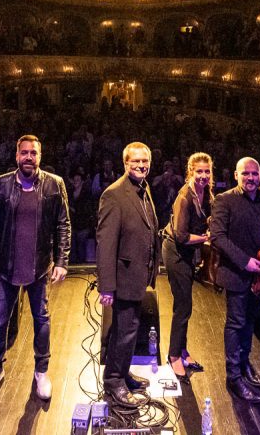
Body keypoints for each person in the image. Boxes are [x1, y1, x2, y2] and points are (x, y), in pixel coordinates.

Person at [0, 135, 70, 406]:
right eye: (24, 153)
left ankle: (41, 372)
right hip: (5, 267)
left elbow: (63, 225)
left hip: (39, 267)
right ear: (16, 155)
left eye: (34, 153)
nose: (29, 157)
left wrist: (62, 261)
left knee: (41, 320)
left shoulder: (55, 184)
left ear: (40, 156)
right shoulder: (0, 185)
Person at [96, 142, 159, 407]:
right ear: (125, 163)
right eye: (136, 162)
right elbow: (106, 243)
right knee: (123, 330)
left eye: (145, 161)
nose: (141, 165)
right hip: (123, 277)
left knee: (130, 329)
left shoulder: (143, 189)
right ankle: (113, 382)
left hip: (138, 274)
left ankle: (121, 372)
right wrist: (106, 286)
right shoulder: (114, 194)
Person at [210, 157, 260, 404]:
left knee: (250, 320)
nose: (251, 178)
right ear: (236, 175)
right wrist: (244, 261)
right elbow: (217, 237)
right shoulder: (224, 200)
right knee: (236, 323)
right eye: (245, 174)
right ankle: (233, 375)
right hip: (237, 273)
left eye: (255, 174)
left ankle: (245, 362)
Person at [162, 152, 212, 383]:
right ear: (190, 171)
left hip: (187, 253)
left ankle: (182, 351)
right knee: (183, 306)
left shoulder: (206, 193)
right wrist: (206, 238)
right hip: (175, 251)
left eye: (207, 171)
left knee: (186, 306)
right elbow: (181, 236)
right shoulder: (184, 197)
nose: (203, 175)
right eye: (199, 171)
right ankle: (173, 355)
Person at [68, 172, 96, 264]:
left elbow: (87, 209)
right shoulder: (70, 193)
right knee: (72, 249)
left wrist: (74, 209)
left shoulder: (86, 194)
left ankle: (82, 267)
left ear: (82, 182)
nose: (76, 182)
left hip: (83, 225)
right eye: (74, 180)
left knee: (81, 248)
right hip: (72, 224)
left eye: (78, 180)